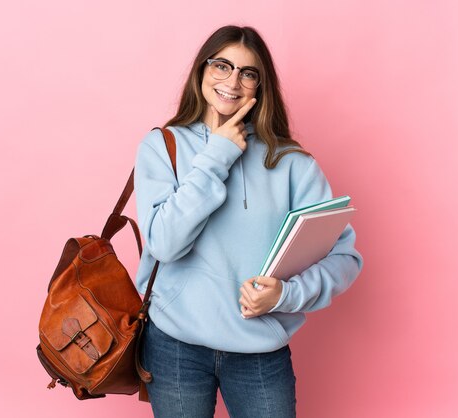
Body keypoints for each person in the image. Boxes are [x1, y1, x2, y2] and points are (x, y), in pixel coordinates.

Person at [134, 25, 363, 418]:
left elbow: (345, 257)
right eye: (222, 65)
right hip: (174, 346)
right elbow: (165, 244)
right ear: (201, 71)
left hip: (259, 352)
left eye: (247, 72)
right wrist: (218, 154)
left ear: (261, 84)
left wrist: (285, 296)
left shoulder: (291, 163)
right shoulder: (163, 147)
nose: (232, 81)